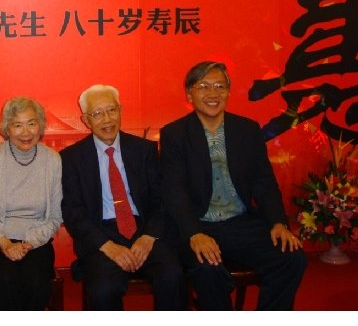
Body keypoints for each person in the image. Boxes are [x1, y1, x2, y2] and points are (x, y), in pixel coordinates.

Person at [159, 61, 307, 310]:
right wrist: (194, 233)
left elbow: (263, 181)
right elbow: (174, 191)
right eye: (203, 87)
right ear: (189, 94)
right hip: (199, 225)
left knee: (292, 258)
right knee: (208, 271)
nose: (213, 93)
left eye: (220, 86)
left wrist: (278, 222)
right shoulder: (174, 134)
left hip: (240, 223)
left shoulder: (247, 130)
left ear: (228, 92)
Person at [60, 84, 186, 310]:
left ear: (121, 111)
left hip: (143, 229)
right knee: (103, 290)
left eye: (112, 110)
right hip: (101, 233)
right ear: (86, 120)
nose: (107, 119)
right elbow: (72, 211)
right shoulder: (71, 158)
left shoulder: (143, 150)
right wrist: (107, 246)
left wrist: (148, 236)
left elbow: (161, 199)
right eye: (97, 113)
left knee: (173, 276)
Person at [0, 96, 63, 310]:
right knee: (5, 279)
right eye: (17, 125)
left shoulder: (52, 160)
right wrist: (5, 243)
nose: (26, 132)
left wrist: (29, 243)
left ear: (41, 125)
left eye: (31, 123)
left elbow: (55, 216)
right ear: (7, 128)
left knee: (35, 281)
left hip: (36, 240)